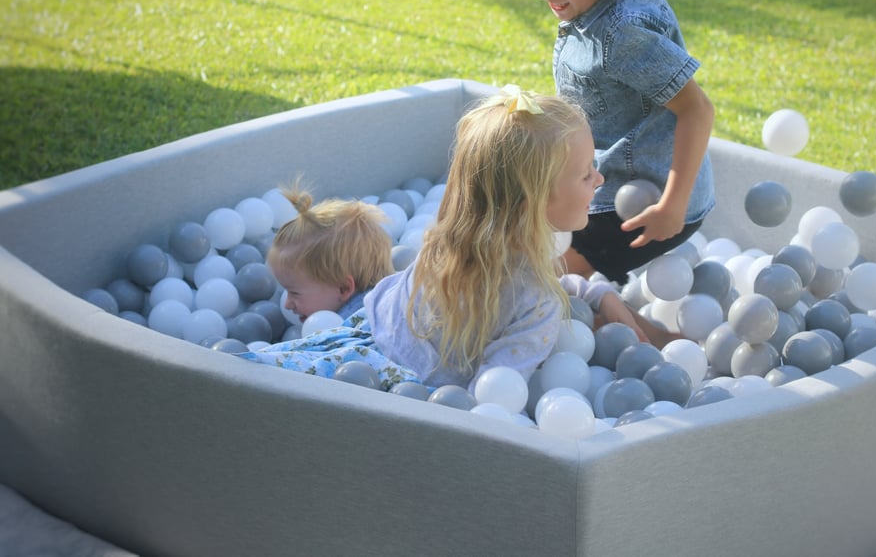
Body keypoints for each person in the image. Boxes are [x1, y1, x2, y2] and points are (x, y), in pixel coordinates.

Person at [238, 88, 653, 391]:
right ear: (534, 201)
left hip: (360, 336)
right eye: (585, 174)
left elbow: (536, 277)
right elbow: (494, 394)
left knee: (246, 373)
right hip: (392, 389)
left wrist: (597, 294)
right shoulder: (537, 307)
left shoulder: (452, 241)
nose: (599, 179)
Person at [480, 0, 716, 287]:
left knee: (541, 284)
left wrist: (672, 206)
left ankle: (648, 335)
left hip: (638, 204)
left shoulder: (623, 31)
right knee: (522, 244)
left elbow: (697, 110)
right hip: (604, 181)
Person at [267, 185, 394, 323]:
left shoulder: (352, 330)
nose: (287, 304)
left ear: (343, 289)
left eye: (295, 293)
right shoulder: (394, 298)